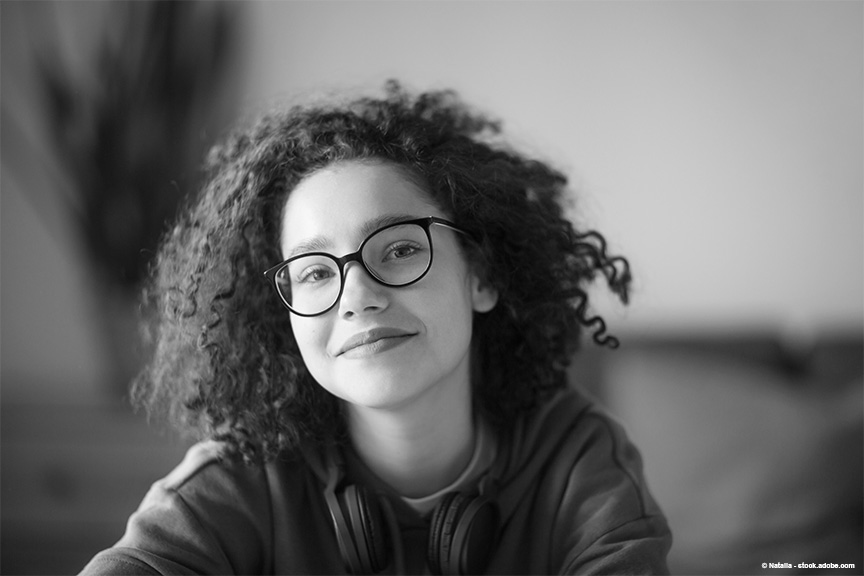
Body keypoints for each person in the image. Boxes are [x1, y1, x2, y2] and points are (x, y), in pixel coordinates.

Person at [80, 81, 671, 575]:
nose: (357, 298)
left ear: (482, 277)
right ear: (280, 316)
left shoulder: (577, 457)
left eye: (399, 249)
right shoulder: (237, 478)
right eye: (313, 272)